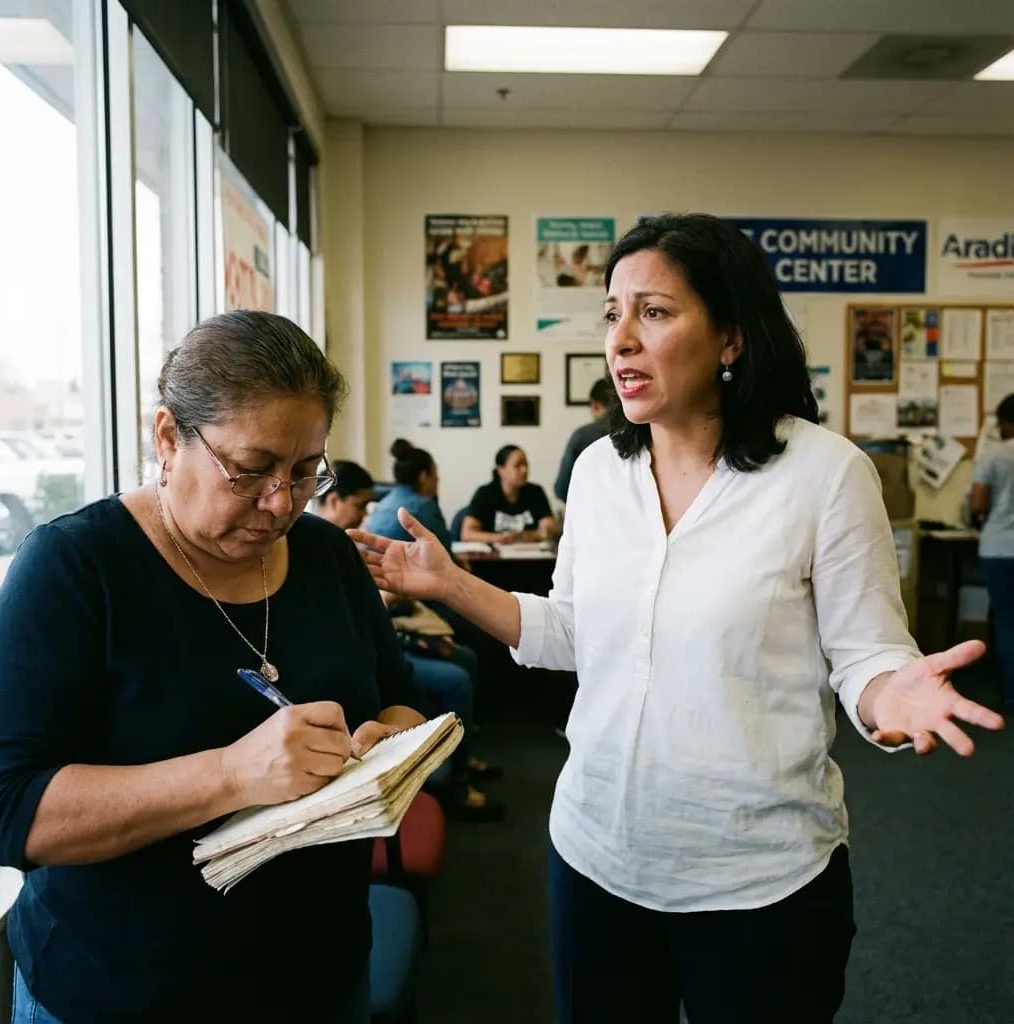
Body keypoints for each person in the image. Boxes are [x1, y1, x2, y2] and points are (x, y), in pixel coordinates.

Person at [349, 214, 1004, 1024]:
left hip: (760, 881)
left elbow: (866, 655)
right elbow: (575, 631)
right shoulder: (597, 471)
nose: (621, 339)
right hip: (596, 856)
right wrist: (450, 585)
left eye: (654, 312)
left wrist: (887, 696)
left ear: (730, 337)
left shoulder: (825, 475)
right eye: (613, 314)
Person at [0, 310, 424, 1023]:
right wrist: (229, 775)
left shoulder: (326, 558)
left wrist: (385, 754)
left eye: (305, 471)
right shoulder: (73, 569)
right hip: (124, 991)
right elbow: (9, 811)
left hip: (319, 973)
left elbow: (401, 702)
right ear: (168, 438)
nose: (279, 502)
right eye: (249, 471)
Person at [315, 461, 503, 820]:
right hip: (382, 644)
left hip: (388, 639)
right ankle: (458, 784)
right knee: (458, 675)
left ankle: (461, 757)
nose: (368, 516)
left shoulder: (342, 542)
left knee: (463, 658)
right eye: (360, 506)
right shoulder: (325, 545)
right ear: (334, 500)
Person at [969, 392, 1014, 709]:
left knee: (1006, 620)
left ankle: (1011, 696)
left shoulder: (994, 455)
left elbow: (978, 503)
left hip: (999, 549)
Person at [365, 439, 451, 550]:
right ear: (423, 477)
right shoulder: (424, 507)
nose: (438, 479)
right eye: (435, 473)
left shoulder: (383, 503)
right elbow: (445, 553)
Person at [461, 445, 557, 544]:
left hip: (531, 556)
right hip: (494, 557)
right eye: (518, 465)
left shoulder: (536, 492)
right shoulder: (485, 494)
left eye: (526, 464)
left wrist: (527, 535)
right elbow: (467, 534)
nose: (524, 470)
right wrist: (498, 538)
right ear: (501, 470)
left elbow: (550, 529)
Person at [553, 377, 611, 503]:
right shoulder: (644, 432)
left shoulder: (582, 436)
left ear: (594, 405)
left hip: (591, 512)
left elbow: (562, 488)